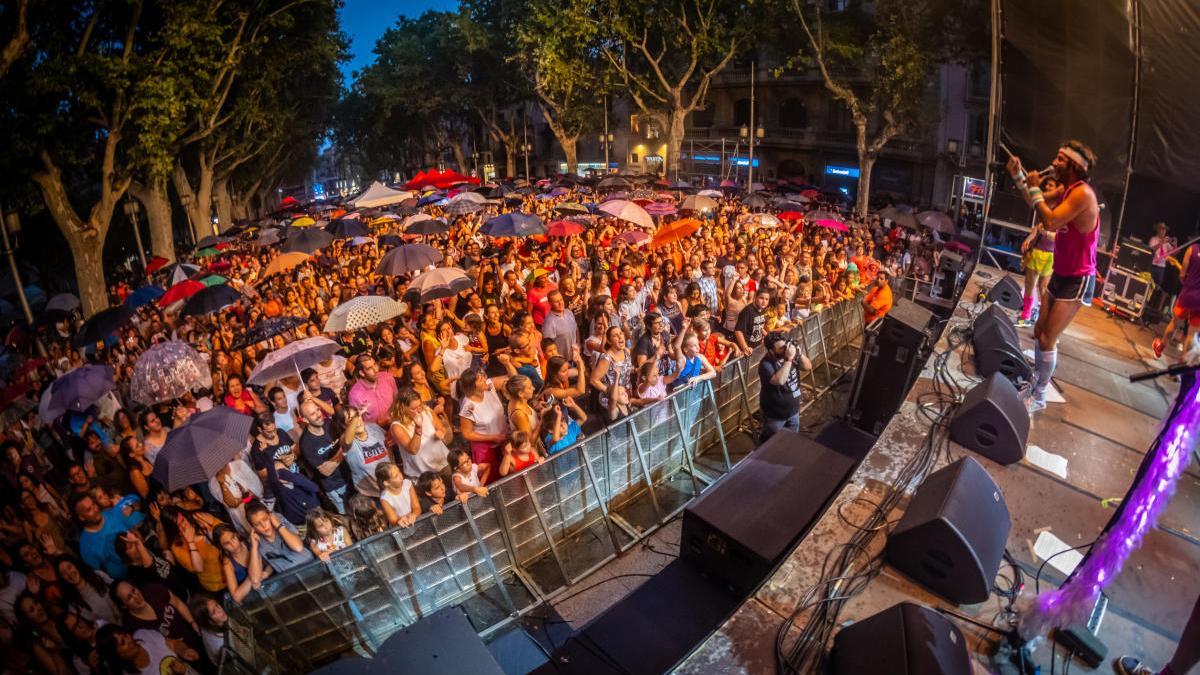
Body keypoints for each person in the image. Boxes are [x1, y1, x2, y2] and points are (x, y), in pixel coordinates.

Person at [1008, 141, 1101, 413]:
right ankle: (1036, 384)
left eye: (1061, 159)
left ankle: (1039, 396)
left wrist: (1036, 186)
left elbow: (1050, 222)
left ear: (1074, 166)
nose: (1055, 162)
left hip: (1078, 278)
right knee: (1039, 332)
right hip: (1062, 271)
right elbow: (1034, 202)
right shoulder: (1067, 189)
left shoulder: (1082, 194)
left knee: (1049, 337)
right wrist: (1018, 177)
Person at [1016, 178, 1060, 327]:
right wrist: (1028, 239)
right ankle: (1026, 314)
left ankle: (1043, 317)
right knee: (1030, 284)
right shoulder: (1043, 207)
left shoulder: (1062, 210)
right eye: (1046, 184)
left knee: (1043, 288)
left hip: (1050, 255)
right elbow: (1037, 229)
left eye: (1051, 185)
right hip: (1036, 252)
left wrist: (1047, 233)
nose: (1047, 187)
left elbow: (1060, 238)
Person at [74, 493, 145, 581]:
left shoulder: (113, 513)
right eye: (89, 509)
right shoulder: (86, 547)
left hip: (147, 561)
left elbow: (135, 499)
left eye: (94, 504)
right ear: (81, 517)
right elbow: (101, 576)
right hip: (130, 581)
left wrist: (131, 508)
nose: (95, 509)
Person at [758, 331, 813, 443]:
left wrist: (799, 353)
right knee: (773, 444)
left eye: (785, 346)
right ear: (771, 351)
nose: (785, 350)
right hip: (775, 416)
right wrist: (788, 360)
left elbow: (808, 367)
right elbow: (779, 380)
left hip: (793, 411)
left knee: (791, 441)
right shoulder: (765, 364)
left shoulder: (791, 355)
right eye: (781, 349)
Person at [297, 399, 350, 514]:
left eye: (318, 410)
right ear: (305, 420)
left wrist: (334, 459)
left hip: (351, 476)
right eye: (313, 414)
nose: (318, 414)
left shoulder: (330, 424)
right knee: (347, 517)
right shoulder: (306, 443)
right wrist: (344, 448)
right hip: (336, 487)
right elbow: (326, 471)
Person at [1153, 241, 1199, 360]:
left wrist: (1188, 285)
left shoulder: (1192, 249)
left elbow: (1182, 275)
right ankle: (1181, 368)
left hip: (1187, 295)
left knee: (1174, 324)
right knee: (1192, 334)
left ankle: (1160, 347)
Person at [95, 623, 197, 675]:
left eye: (125, 634)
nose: (130, 638)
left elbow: (173, 644)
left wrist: (184, 651)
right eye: (123, 642)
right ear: (116, 654)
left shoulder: (143, 635)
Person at [246, 501, 313, 572]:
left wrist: (278, 525)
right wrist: (254, 547)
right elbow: (255, 579)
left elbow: (298, 547)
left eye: (265, 519)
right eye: (257, 524)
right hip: (291, 579)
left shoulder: (280, 520)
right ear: (253, 528)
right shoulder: (256, 541)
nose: (263, 526)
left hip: (311, 565)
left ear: (270, 516)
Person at [347, 355, 397, 425]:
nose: (376, 370)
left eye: (375, 365)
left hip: (395, 423)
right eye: (369, 368)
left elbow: (397, 399)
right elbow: (357, 422)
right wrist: (377, 425)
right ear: (362, 373)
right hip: (375, 433)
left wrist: (391, 417)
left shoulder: (387, 377)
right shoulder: (355, 394)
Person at [376, 463, 420, 527]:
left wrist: (414, 515)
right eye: (396, 476)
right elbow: (393, 520)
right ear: (387, 483)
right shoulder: (385, 498)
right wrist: (400, 520)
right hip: (400, 529)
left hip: (415, 522)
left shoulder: (407, 484)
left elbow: (417, 507)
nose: (401, 476)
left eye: (399, 472)